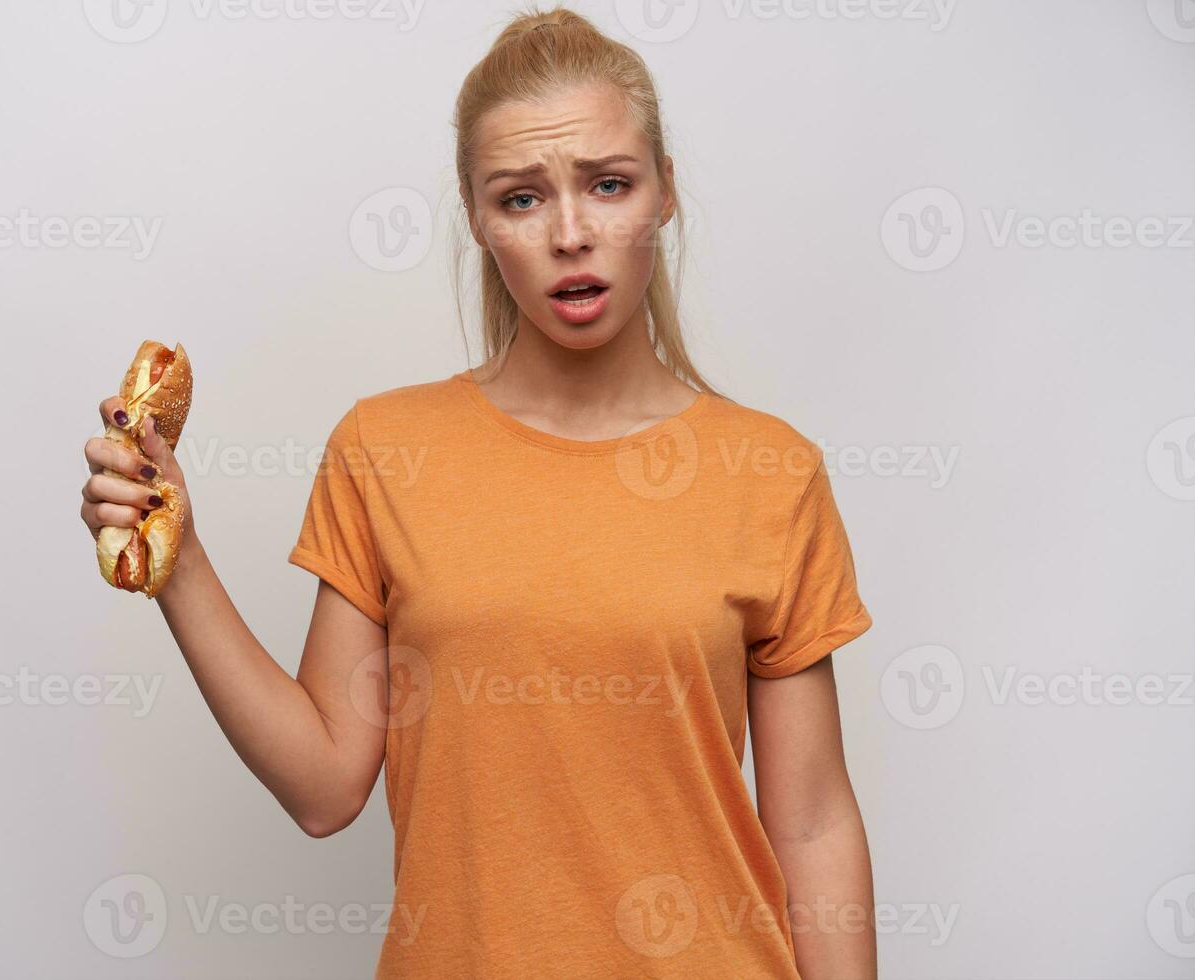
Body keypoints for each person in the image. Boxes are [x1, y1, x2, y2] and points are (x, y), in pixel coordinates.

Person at [80, 5, 876, 976]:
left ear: (664, 194)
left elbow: (813, 821)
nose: (572, 233)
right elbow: (326, 784)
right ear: (477, 219)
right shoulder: (385, 449)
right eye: (522, 198)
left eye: (609, 184)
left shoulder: (771, 471)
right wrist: (181, 564)